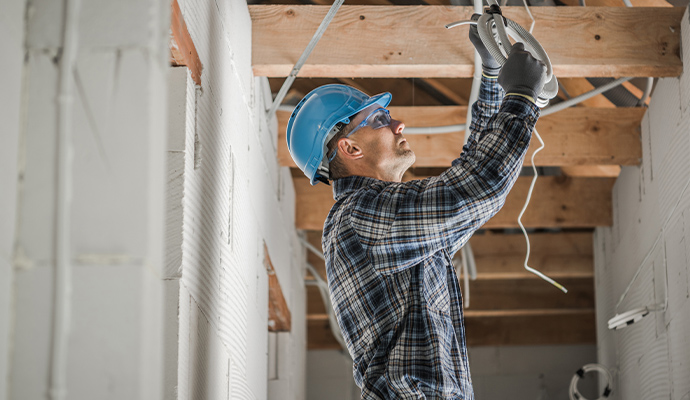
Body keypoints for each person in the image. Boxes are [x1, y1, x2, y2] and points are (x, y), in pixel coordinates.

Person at [286, 18, 546, 400]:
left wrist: (493, 77)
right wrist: (521, 96)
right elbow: (476, 188)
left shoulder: (382, 223)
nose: (398, 123)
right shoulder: (360, 217)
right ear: (350, 148)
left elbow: (470, 174)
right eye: (379, 119)